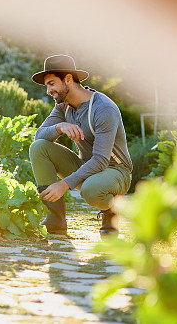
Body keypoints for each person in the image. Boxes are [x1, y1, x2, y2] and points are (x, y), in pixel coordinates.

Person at [29, 54, 133, 236]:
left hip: (116, 172)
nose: (48, 91)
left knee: (91, 190)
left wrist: (64, 185)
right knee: (39, 148)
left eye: (51, 84)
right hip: (87, 167)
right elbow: (39, 136)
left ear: (68, 79)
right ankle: (56, 219)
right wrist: (60, 126)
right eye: (47, 86)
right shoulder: (64, 106)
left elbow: (101, 160)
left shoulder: (103, 109)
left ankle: (111, 210)